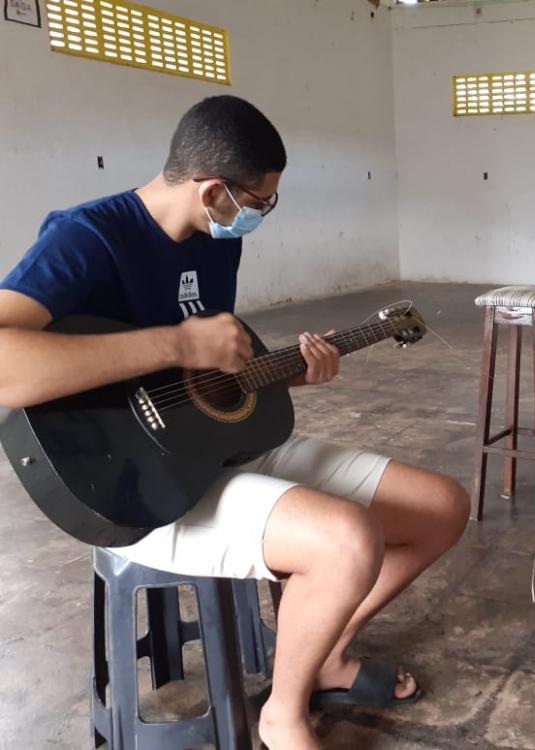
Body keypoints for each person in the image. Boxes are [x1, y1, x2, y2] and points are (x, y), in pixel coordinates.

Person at [0, 95, 470, 750]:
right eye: (259, 202)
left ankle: (323, 653)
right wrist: (176, 344)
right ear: (214, 190)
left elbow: (208, 378)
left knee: (442, 507)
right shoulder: (87, 238)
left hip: (214, 450)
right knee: (347, 540)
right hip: (135, 487)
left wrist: (289, 370)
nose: (260, 215)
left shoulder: (213, 245)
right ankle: (282, 713)